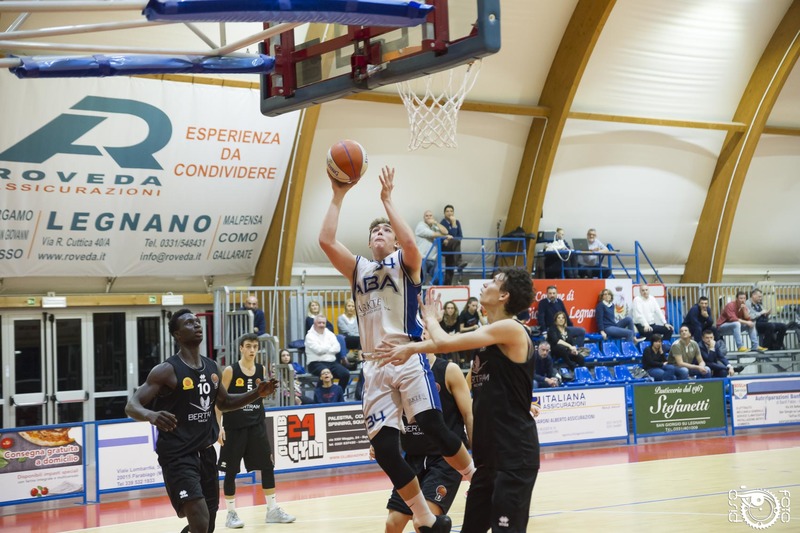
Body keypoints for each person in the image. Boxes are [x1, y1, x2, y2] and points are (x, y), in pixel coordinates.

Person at [319, 165, 475, 533]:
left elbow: (411, 243)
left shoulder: (405, 263)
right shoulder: (358, 269)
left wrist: (387, 201)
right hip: (374, 365)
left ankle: (475, 476)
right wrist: (338, 194)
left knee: (432, 424)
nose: (380, 232)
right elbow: (326, 241)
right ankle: (426, 519)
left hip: (406, 354)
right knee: (387, 451)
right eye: (374, 230)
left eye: (386, 230)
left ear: (394, 241)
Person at [380, 268, 539, 533]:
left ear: (504, 295)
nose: (486, 284)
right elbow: (440, 347)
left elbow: (444, 343)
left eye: (494, 281)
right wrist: (410, 348)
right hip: (489, 457)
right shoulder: (488, 335)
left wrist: (431, 321)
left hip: (513, 454)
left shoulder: (511, 328)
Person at [124, 309, 277, 533]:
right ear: (177, 334)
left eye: (197, 322)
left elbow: (225, 402)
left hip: (206, 454)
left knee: (208, 525)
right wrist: (151, 415)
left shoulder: (212, 366)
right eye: (188, 323)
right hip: (178, 455)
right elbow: (132, 405)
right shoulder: (166, 370)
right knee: (200, 520)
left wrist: (257, 393)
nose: (196, 325)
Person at [384, 351, 473, 533]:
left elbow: (468, 414)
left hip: (445, 459)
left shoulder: (449, 370)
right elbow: (390, 413)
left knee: (423, 523)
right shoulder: (397, 372)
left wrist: (478, 453)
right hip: (412, 457)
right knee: (392, 524)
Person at [215, 333, 295, 528]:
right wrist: (218, 427)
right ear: (241, 348)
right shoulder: (230, 370)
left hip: (257, 426)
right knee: (231, 471)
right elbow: (218, 402)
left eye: (255, 347)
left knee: (267, 467)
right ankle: (231, 514)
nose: (252, 350)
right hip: (234, 428)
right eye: (248, 346)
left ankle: (272, 510)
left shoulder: (261, 370)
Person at [304, 314, 351, 392]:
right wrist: (329, 346)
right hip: (315, 363)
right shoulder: (309, 336)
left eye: (323, 323)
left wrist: (323, 347)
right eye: (319, 323)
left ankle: (338, 395)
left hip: (331, 362)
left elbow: (337, 348)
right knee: (325, 373)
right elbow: (318, 350)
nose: (322, 325)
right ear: (314, 324)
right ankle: (322, 397)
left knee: (345, 374)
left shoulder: (330, 334)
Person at [415, 209, 451, 285]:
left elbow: (446, 231)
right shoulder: (420, 226)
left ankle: (432, 291)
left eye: (430, 216)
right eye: (426, 216)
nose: (429, 217)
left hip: (433, 259)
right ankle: (422, 293)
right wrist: (445, 236)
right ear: (424, 218)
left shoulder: (434, 226)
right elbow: (434, 234)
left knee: (438, 279)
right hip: (422, 259)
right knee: (421, 281)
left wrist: (436, 223)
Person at [440, 205, 467, 285]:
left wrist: (452, 238)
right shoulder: (442, 223)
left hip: (454, 248)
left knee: (450, 268)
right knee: (455, 241)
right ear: (444, 213)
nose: (449, 213)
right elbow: (452, 235)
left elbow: (460, 236)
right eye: (447, 211)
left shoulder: (457, 222)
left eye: (451, 211)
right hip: (445, 247)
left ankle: (447, 285)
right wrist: (454, 224)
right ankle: (459, 262)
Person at [337, 298, 362, 367]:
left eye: (353, 306)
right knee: (361, 339)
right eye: (349, 306)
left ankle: (360, 359)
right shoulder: (341, 318)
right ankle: (360, 359)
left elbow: (358, 331)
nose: (351, 308)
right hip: (345, 339)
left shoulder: (356, 318)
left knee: (364, 339)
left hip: (356, 340)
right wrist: (357, 336)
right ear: (345, 307)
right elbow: (346, 331)